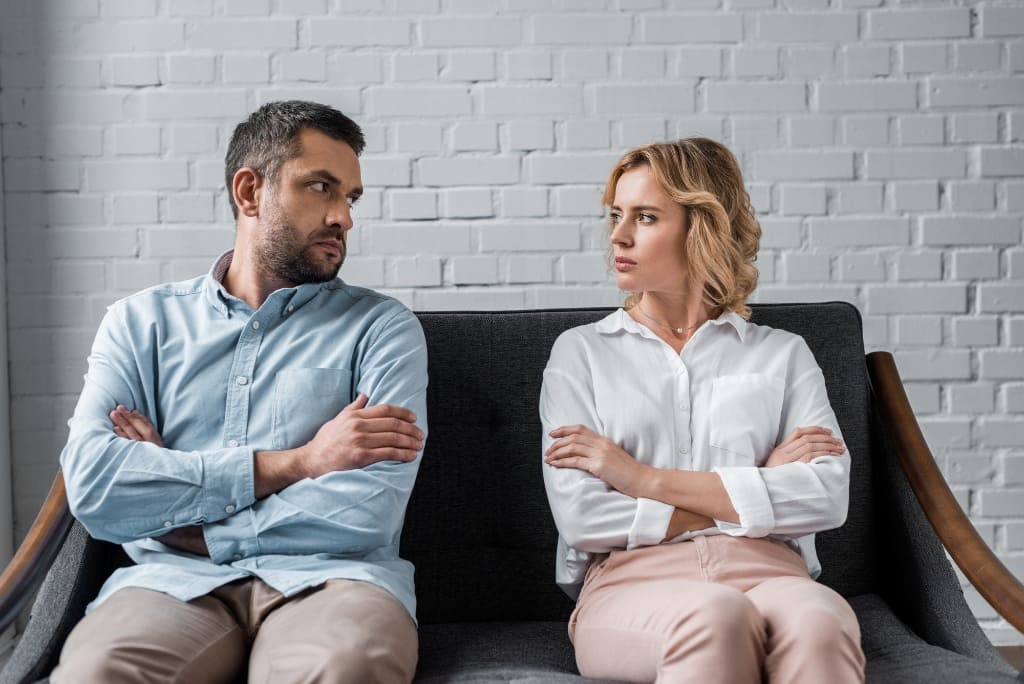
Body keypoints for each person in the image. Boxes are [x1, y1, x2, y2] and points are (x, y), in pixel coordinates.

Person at [54, 100, 427, 684]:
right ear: (249, 191)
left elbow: (368, 510)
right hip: (169, 585)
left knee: (344, 666)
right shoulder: (139, 324)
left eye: (350, 198)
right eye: (321, 188)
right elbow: (97, 487)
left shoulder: (382, 329)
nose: (343, 219)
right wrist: (299, 463)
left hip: (332, 581)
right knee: (99, 669)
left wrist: (179, 506)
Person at [540, 138, 866, 683]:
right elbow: (584, 518)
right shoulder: (582, 353)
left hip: (774, 575)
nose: (618, 235)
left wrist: (639, 478)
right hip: (632, 585)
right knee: (717, 615)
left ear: (703, 228)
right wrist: (760, 484)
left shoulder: (782, 353)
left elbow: (826, 497)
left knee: (821, 620)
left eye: (645, 217)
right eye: (617, 215)